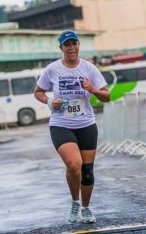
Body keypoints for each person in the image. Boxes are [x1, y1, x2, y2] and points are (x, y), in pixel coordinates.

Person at [34, 30, 110, 224]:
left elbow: (107, 96)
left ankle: (85, 208)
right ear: (61, 48)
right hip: (61, 124)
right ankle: (75, 202)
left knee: (87, 170)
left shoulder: (89, 68)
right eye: (67, 45)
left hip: (86, 123)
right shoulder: (52, 69)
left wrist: (92, 89)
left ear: (78, 46)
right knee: (73, 164)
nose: (71, 48)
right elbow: (38, 92)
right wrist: (50, 102)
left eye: (74, 43)